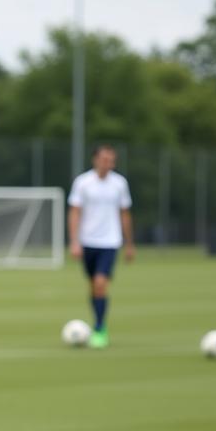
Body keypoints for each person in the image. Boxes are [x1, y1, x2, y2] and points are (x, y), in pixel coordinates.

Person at [67, 145, 135, 348]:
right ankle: (98, 320)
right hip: (88, 242)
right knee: (93, 286)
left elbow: (124, 214)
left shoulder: (119, 183)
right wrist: (74, 241)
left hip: (110, 242)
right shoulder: (83, 182)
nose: (109, 164)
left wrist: (129, 243)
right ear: (95, 160)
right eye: (105, 159)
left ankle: (99, 327)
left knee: (100, 283)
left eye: (112, 160)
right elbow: (75, 212)